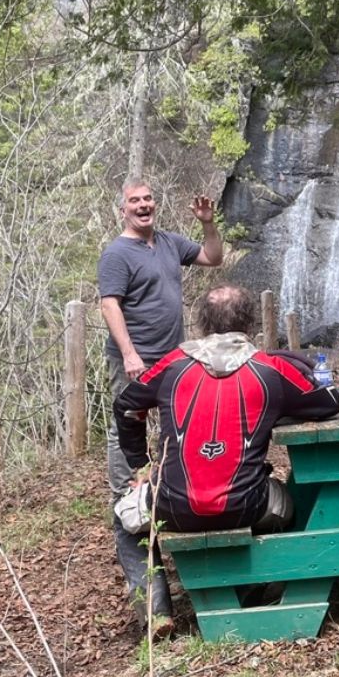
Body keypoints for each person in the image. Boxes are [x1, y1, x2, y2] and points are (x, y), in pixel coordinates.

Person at [112, 285, 339, 535]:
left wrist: (142, 465)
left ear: (203, 323)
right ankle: (278, 567)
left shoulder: (172, 364)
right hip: (247, 508)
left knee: (121, 512)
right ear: (250, 324)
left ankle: (149, 575)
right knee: (292, 500)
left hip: (171, 508)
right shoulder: (271, 369)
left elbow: (126, 405)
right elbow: (329, 402)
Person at [98, 180, 223, 635]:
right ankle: (154, 608)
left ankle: (204, 582)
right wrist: (130, 354)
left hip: (172, 368)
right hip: (134, 368)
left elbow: (213, 258)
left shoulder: (170, 243)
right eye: (135, 200)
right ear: (122, 210)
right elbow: (109, 304)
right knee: (129, 488)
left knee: (176, 467)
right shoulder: (117, 254)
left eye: (148, 199)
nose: (144, 205)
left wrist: (209, 225)